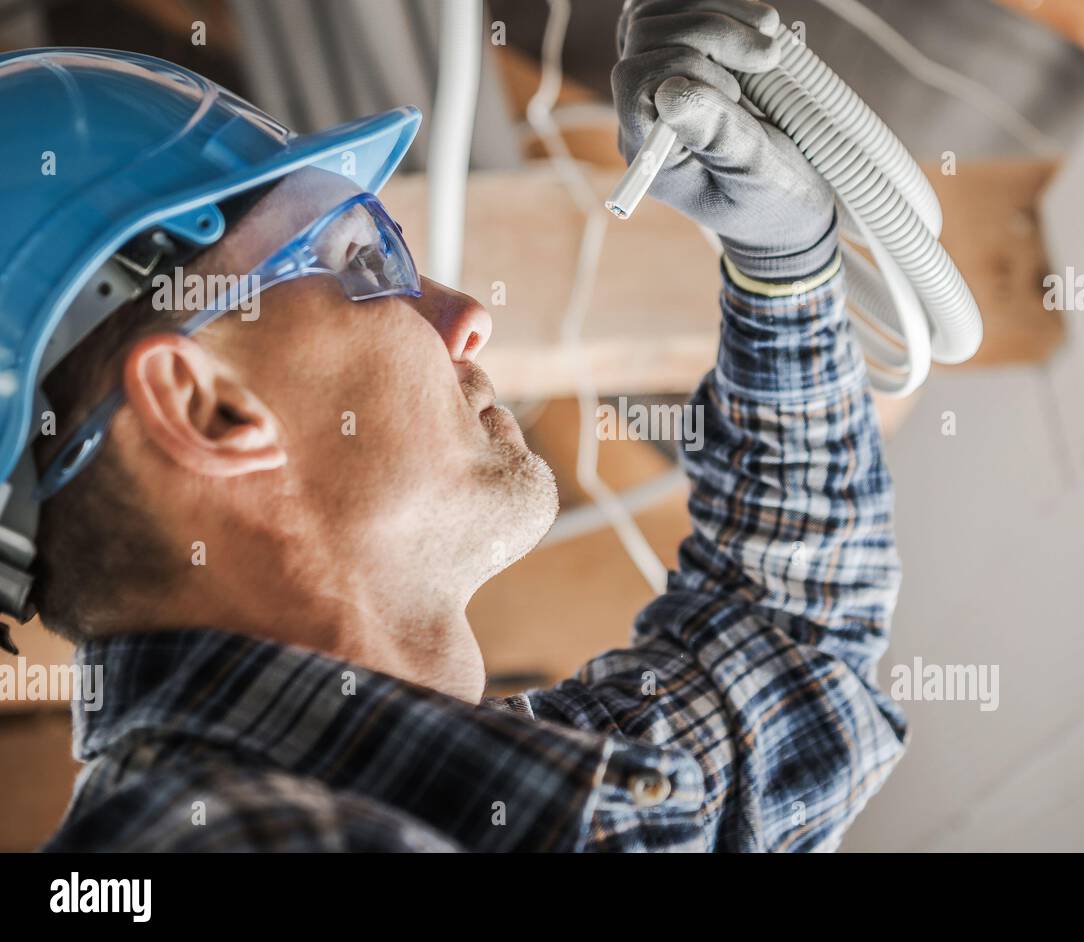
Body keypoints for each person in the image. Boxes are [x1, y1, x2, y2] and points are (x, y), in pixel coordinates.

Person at [4, 0, 904, 852]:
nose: (466, 317)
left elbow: (792, 647)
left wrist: (782, 262)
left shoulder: (511, 795)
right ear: (209, 409)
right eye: (362, 258)